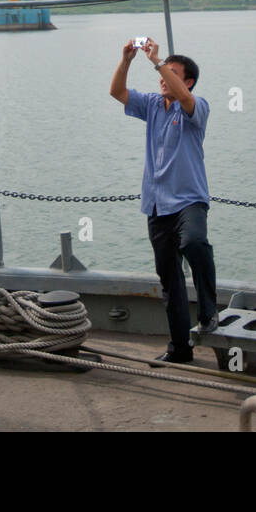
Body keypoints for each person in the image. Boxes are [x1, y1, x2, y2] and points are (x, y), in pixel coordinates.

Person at [110, 37, 217, 364]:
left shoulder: (197, 107)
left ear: (187, 81)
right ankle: (180, 349)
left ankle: (209, 311)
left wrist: (156, 60)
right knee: (170, 280)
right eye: (160, 71)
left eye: (170, 72)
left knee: (195, 244)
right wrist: (126, 60)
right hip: (156, 204)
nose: (161, 77)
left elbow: (185, 98)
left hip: (189, 201)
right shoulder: (153, 105)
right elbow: (118, 92)